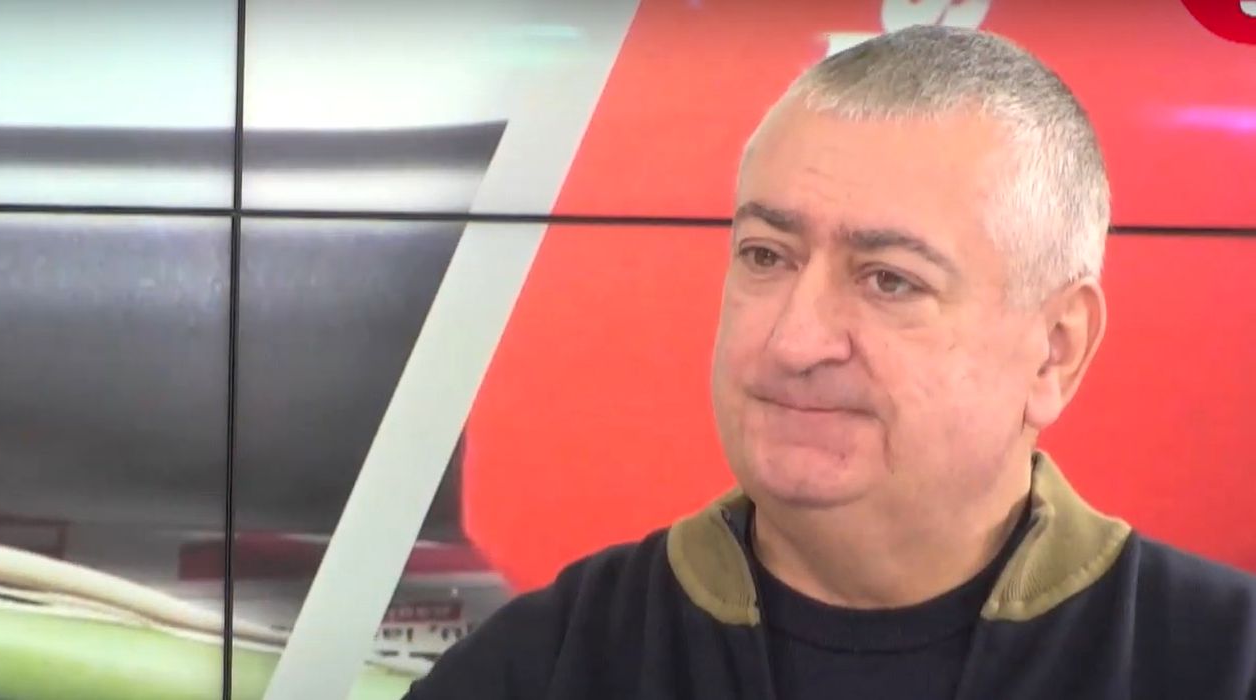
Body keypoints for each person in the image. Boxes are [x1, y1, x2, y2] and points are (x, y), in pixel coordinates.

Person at [403, 25, 1256, 700]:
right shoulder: (544, 666)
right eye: (766, 256)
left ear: (1054, 350)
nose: (793, 341)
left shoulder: (1220, 662)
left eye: (889, 279)